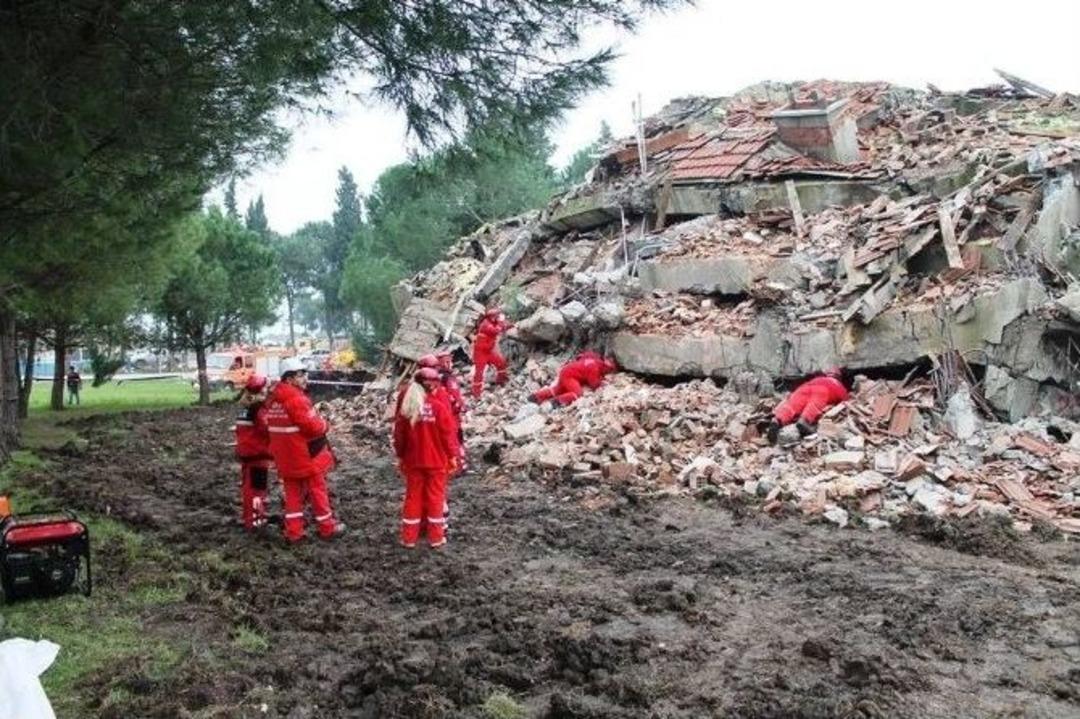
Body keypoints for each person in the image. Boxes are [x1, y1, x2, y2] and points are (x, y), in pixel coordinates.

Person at [264, 357, 346, 542]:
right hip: (304, 456)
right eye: (300, 375)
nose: (305, 378)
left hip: (285, 457)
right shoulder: (296, 399)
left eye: (304, 374)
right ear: (289, 378)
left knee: (292, 494)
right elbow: (313, 427)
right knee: (318, 490)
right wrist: (325, 424)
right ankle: (327, 528)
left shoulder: (273, 400)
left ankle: (294, 532)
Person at [393, 368, 461, 549]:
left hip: (412, 461)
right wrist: (453, 456)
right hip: (436, 462)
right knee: (436, 498)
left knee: (412, 497)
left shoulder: (407, 408)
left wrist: (400, 457)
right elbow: (448, 435)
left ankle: (408, 538)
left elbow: (399, 437)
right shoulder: (438, 407)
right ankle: (436, 538)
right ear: (432, 385)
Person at [766, 367, 852, 442]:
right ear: (839, 377)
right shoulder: (837, 384)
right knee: (813, 405)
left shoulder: (818, 379)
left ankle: (777, 420)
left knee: (792, 406)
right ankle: (804, 420)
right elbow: (847, 401)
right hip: (821, 390)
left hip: (803, 389)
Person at [233, 374, 272, 531]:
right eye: (266, 387)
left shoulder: (244, 408)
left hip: (246, 454)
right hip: (258, 455)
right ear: (261, 389)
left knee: (248, 488)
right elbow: (266, 429)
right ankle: (255, 521)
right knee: (257, 490)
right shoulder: (259, 410)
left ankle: (250, 517)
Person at [530, 353, 618, 407]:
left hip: (566, 371)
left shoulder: (594, 359)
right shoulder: (594, 368)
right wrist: (602, 382)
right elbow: (594, 384)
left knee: (558, 389)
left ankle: (535, 396)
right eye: (610, 370)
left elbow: (582, 356)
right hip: (570, 376)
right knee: (577, 393)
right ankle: (556, 402)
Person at [471, 307, 512, 398]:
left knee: (501, 363)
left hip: (489, 350)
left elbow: (503, 327)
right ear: (492, 317)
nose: (498, 318)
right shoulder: (485, 324)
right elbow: (496, 331)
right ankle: (476, 393)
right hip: (480, 352)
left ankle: (501, 381)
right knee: (479, 372)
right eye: (496, 316)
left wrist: (511, 325)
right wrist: (501, 322)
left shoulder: (494, 322)